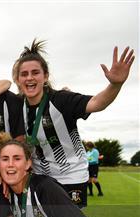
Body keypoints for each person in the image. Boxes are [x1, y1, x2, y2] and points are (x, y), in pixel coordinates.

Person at [12, 39, 134, 207]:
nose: (30, 78)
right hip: (40, 177)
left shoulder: (61, 100)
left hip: (71, 176)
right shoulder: (17, 106)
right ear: (17, 79)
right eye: (24, 74)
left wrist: (115, 84)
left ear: (45, 76)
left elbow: (97, 103)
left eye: (35, 72)